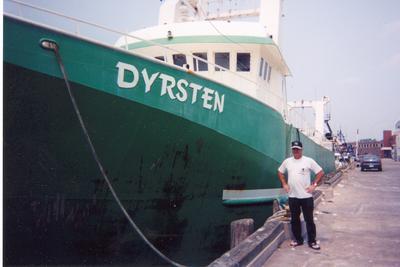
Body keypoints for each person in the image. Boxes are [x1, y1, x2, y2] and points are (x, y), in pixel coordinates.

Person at [277, 140, 324, 250]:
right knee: (294, 219)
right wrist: (284, 183)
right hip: (293, 196)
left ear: (301, 149)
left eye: (298, 149)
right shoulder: (287, 161)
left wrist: (314, 184)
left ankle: (312, 241)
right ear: (292, 150)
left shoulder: (308, 161)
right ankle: (298, 240)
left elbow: (320, 172)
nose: (296, 151)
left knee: (309, 220)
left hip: (306, 197)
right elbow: (280, 172)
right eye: (294, 149)